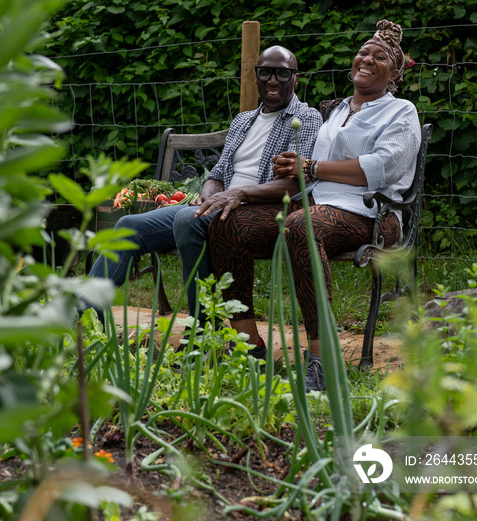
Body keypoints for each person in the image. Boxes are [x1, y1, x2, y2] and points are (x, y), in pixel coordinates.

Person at [207, 19, 421, 391]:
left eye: (380, 57)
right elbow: (312, 174)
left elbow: (380, 167)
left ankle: (323, 361)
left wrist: (311, 167)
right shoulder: (336, 111)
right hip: (318, 207)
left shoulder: (401, 112)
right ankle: (249, 348)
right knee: (229, 223)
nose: (366, 59)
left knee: (299, 226)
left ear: (396, 73)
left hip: (374, 213)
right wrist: (293, 168)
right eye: (362, 53)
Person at [88, 45, 323, 338]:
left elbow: (296, 182)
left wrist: (239, 194)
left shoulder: (306, 117)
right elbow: (218, 173)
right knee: (127, 225)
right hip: (220, 206)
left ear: (295, 79)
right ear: (256, 77)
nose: (273, 80)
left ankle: (201, 331)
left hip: (261, 209)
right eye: (266, 72)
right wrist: (211, 192)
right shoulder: (243, 120)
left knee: (188, 220)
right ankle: (82, 314)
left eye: (282, 73)